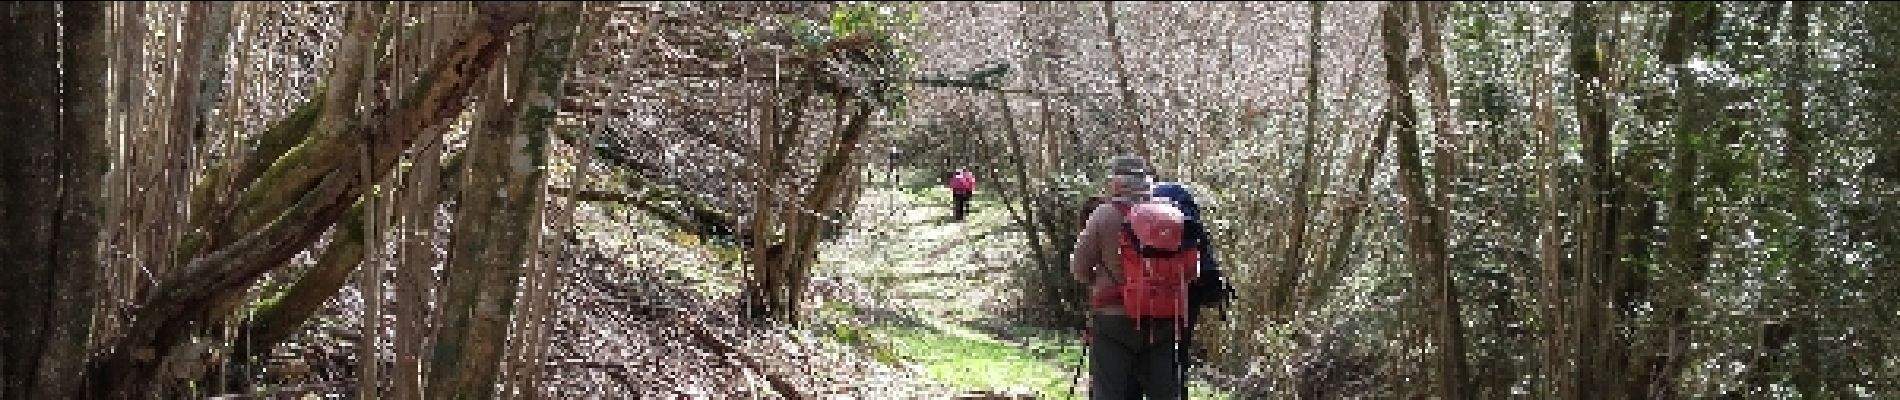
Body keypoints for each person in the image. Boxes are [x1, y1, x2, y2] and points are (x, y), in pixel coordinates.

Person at [1070, 155, 1187, 399]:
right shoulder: (1171, 215)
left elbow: (1079, 268)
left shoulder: (1104, 215)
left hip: (1114, 320)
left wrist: (1102, 283)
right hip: (1161, 318)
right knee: (1164, 393)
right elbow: (1189, 270)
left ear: (1117, 184)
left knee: (1109, 392)